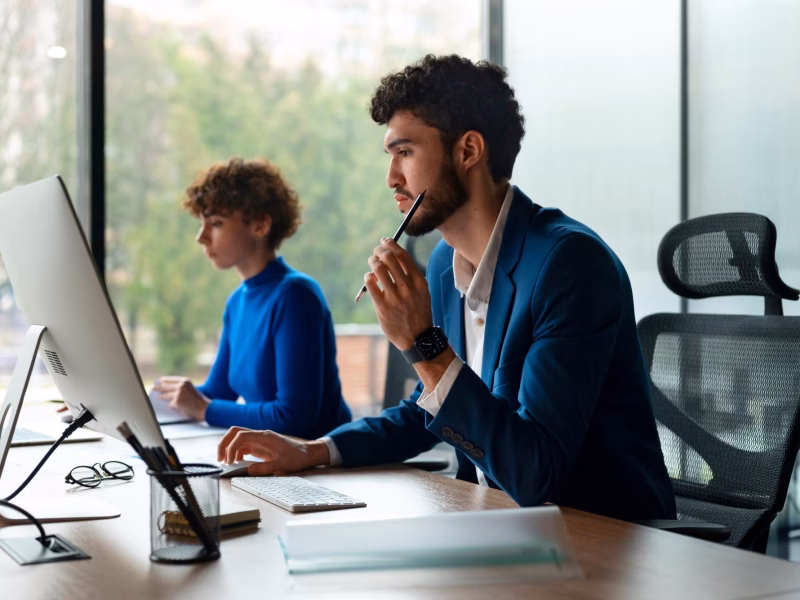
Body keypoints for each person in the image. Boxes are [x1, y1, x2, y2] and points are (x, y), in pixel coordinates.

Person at [217, 56, 676, 521]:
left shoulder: (569, 264)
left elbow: (536, 472)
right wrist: (314, 451)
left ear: (468, 150)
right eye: (390, 156)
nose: (392, 177)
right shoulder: (443, 264)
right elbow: (427, 407)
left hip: (600, 539)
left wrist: (423, 344)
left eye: (406, 153)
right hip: (494, 523)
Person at [154, 157, 352, 439]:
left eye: (216, 223)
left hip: (322, 466)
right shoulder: (237, 302)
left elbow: (293, 417)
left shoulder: (296, 296)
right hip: (276, 459)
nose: (201, 237)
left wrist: (205, 409)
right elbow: (217, 393)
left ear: (260, 225)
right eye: (202, 224)